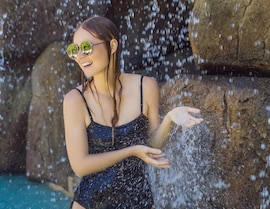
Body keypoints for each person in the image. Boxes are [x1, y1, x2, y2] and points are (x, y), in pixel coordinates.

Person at [62, 16, 203, 209]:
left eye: (86, 48)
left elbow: (153, 146)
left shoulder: (146, 87)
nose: (80, 56)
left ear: (112, 45)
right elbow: (80, 166)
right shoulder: (75, 100)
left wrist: (169, 119)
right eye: (74, 50)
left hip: (140, 202)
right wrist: (132, 151)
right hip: (91, 203)